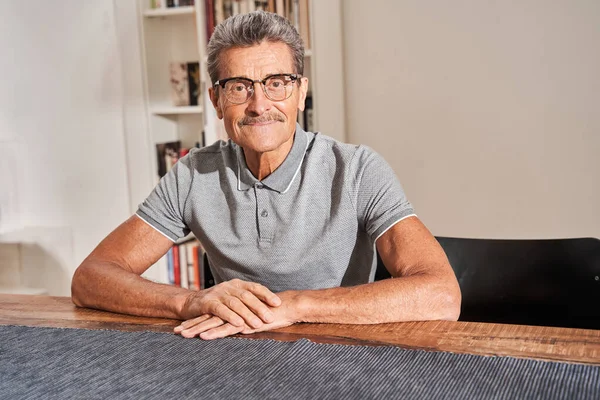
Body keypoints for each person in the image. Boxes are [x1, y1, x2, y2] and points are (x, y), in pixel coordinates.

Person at [71, 11, 461, 340]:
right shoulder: (192, 173)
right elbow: (91, 277)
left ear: (301, 92)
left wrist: (296, 304)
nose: (259, 105)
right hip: (231, 355)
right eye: (239, 87)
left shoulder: (358, 170)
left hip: (342, 350)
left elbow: (441, 294)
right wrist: (189, 300)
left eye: (276, 83)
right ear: (216, 100)